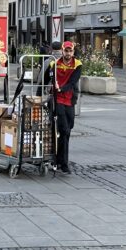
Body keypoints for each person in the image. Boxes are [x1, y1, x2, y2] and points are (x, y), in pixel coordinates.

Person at [48, 40, 81, 174]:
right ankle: (63, 163)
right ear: (62, 51)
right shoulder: (54, 64)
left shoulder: (77, 65)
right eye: (66, 51)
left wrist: (61, 89)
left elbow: (73, 82)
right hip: (58, 101)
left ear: (73, 52)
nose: (68, 53)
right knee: (64, 130)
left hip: (69, 99)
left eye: (70, 51)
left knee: (67, 130)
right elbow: (47, 79)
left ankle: (58, 159)